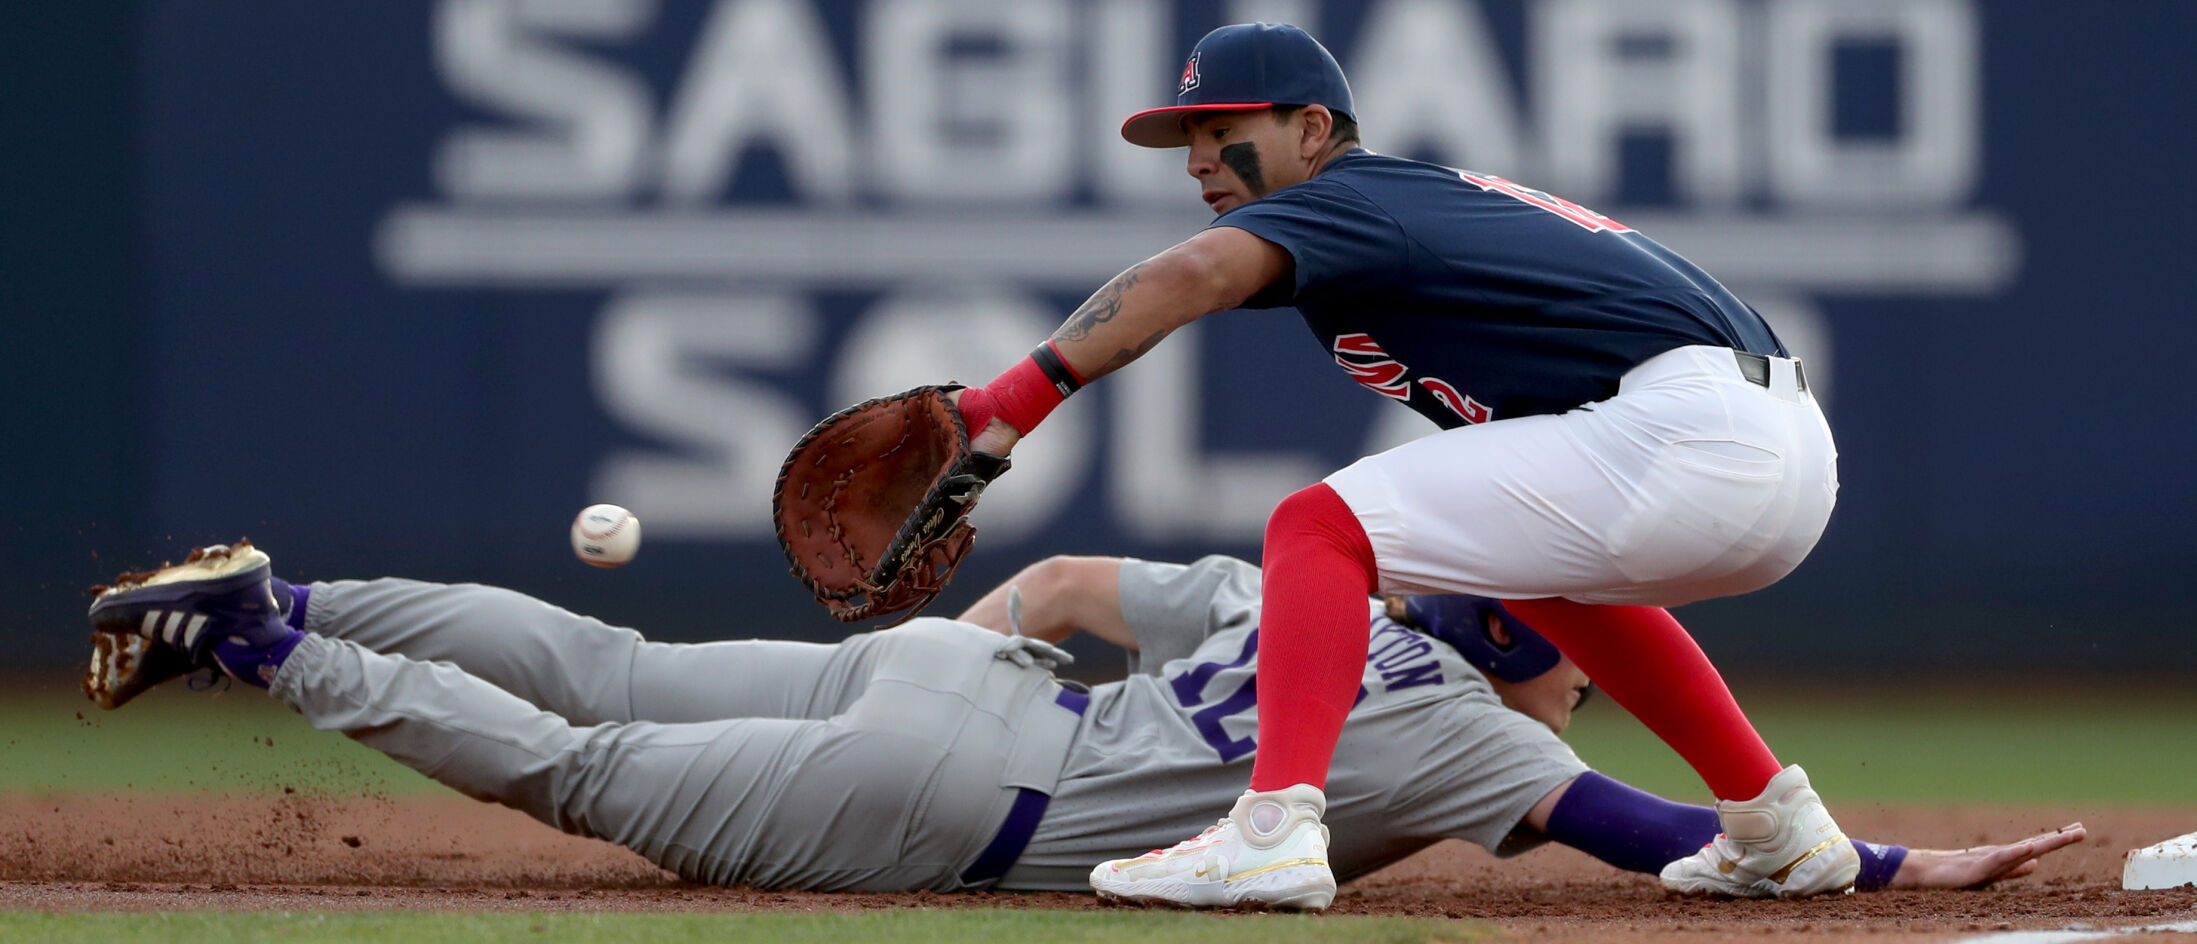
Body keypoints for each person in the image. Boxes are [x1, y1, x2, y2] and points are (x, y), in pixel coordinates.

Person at [941, 22, 1848, 906]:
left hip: (1693, 431)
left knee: (1315, 527)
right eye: (1190, 138)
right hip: (1774, 446)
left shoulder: (1349, 197)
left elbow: (1188, 278)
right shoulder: (1402, 208)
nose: (1196, 161)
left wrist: (1006, 404)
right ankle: (1776, 824)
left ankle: (1268, 835)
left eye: (1224, 130)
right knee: (1523, 568)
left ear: (1310, 130)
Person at [79, 542, 2083, 901]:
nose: (1576, 675)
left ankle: (311, 589)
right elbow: (1684, 843)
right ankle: (267, 645)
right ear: (1533, 651)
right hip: (965, 788)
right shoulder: (1481, 737)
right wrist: (1913, 861)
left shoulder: (1319, 603)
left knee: (600, 666)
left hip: (975, 676)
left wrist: (938, 644)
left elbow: (1048, 594)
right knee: (586, 770)